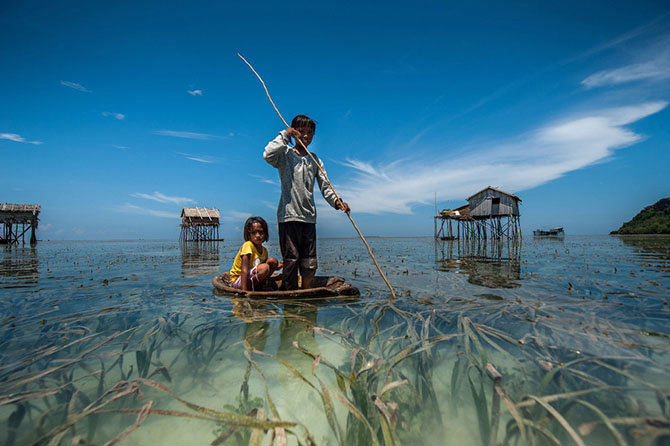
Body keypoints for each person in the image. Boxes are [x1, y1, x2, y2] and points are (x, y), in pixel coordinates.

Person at [263, 114, 350, 290]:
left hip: (308, 218)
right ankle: (290, 294)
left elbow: (326, 187)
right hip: (288, 217)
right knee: (292, 259)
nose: (305, 136)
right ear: (294, 133)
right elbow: (267, 154)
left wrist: (337, 202)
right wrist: (285, 135)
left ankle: (306, 292)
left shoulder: (315, 160)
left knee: (309, 261)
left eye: (310, 132)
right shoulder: (285, 155)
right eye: (301, 131)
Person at [228, 216, 282, 291]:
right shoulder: (248, 245)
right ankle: (253, 287)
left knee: (273, 261)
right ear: (248, 234)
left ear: (265, 234)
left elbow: (265, 269)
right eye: (254, 233)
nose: (258, 235)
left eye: (261, 232)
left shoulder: (264, 250)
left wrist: (277, 267)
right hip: (239, 281)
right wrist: (244, 291)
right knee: (264, 267)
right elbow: (244, 270)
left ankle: (261, 285)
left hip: (251, 278)